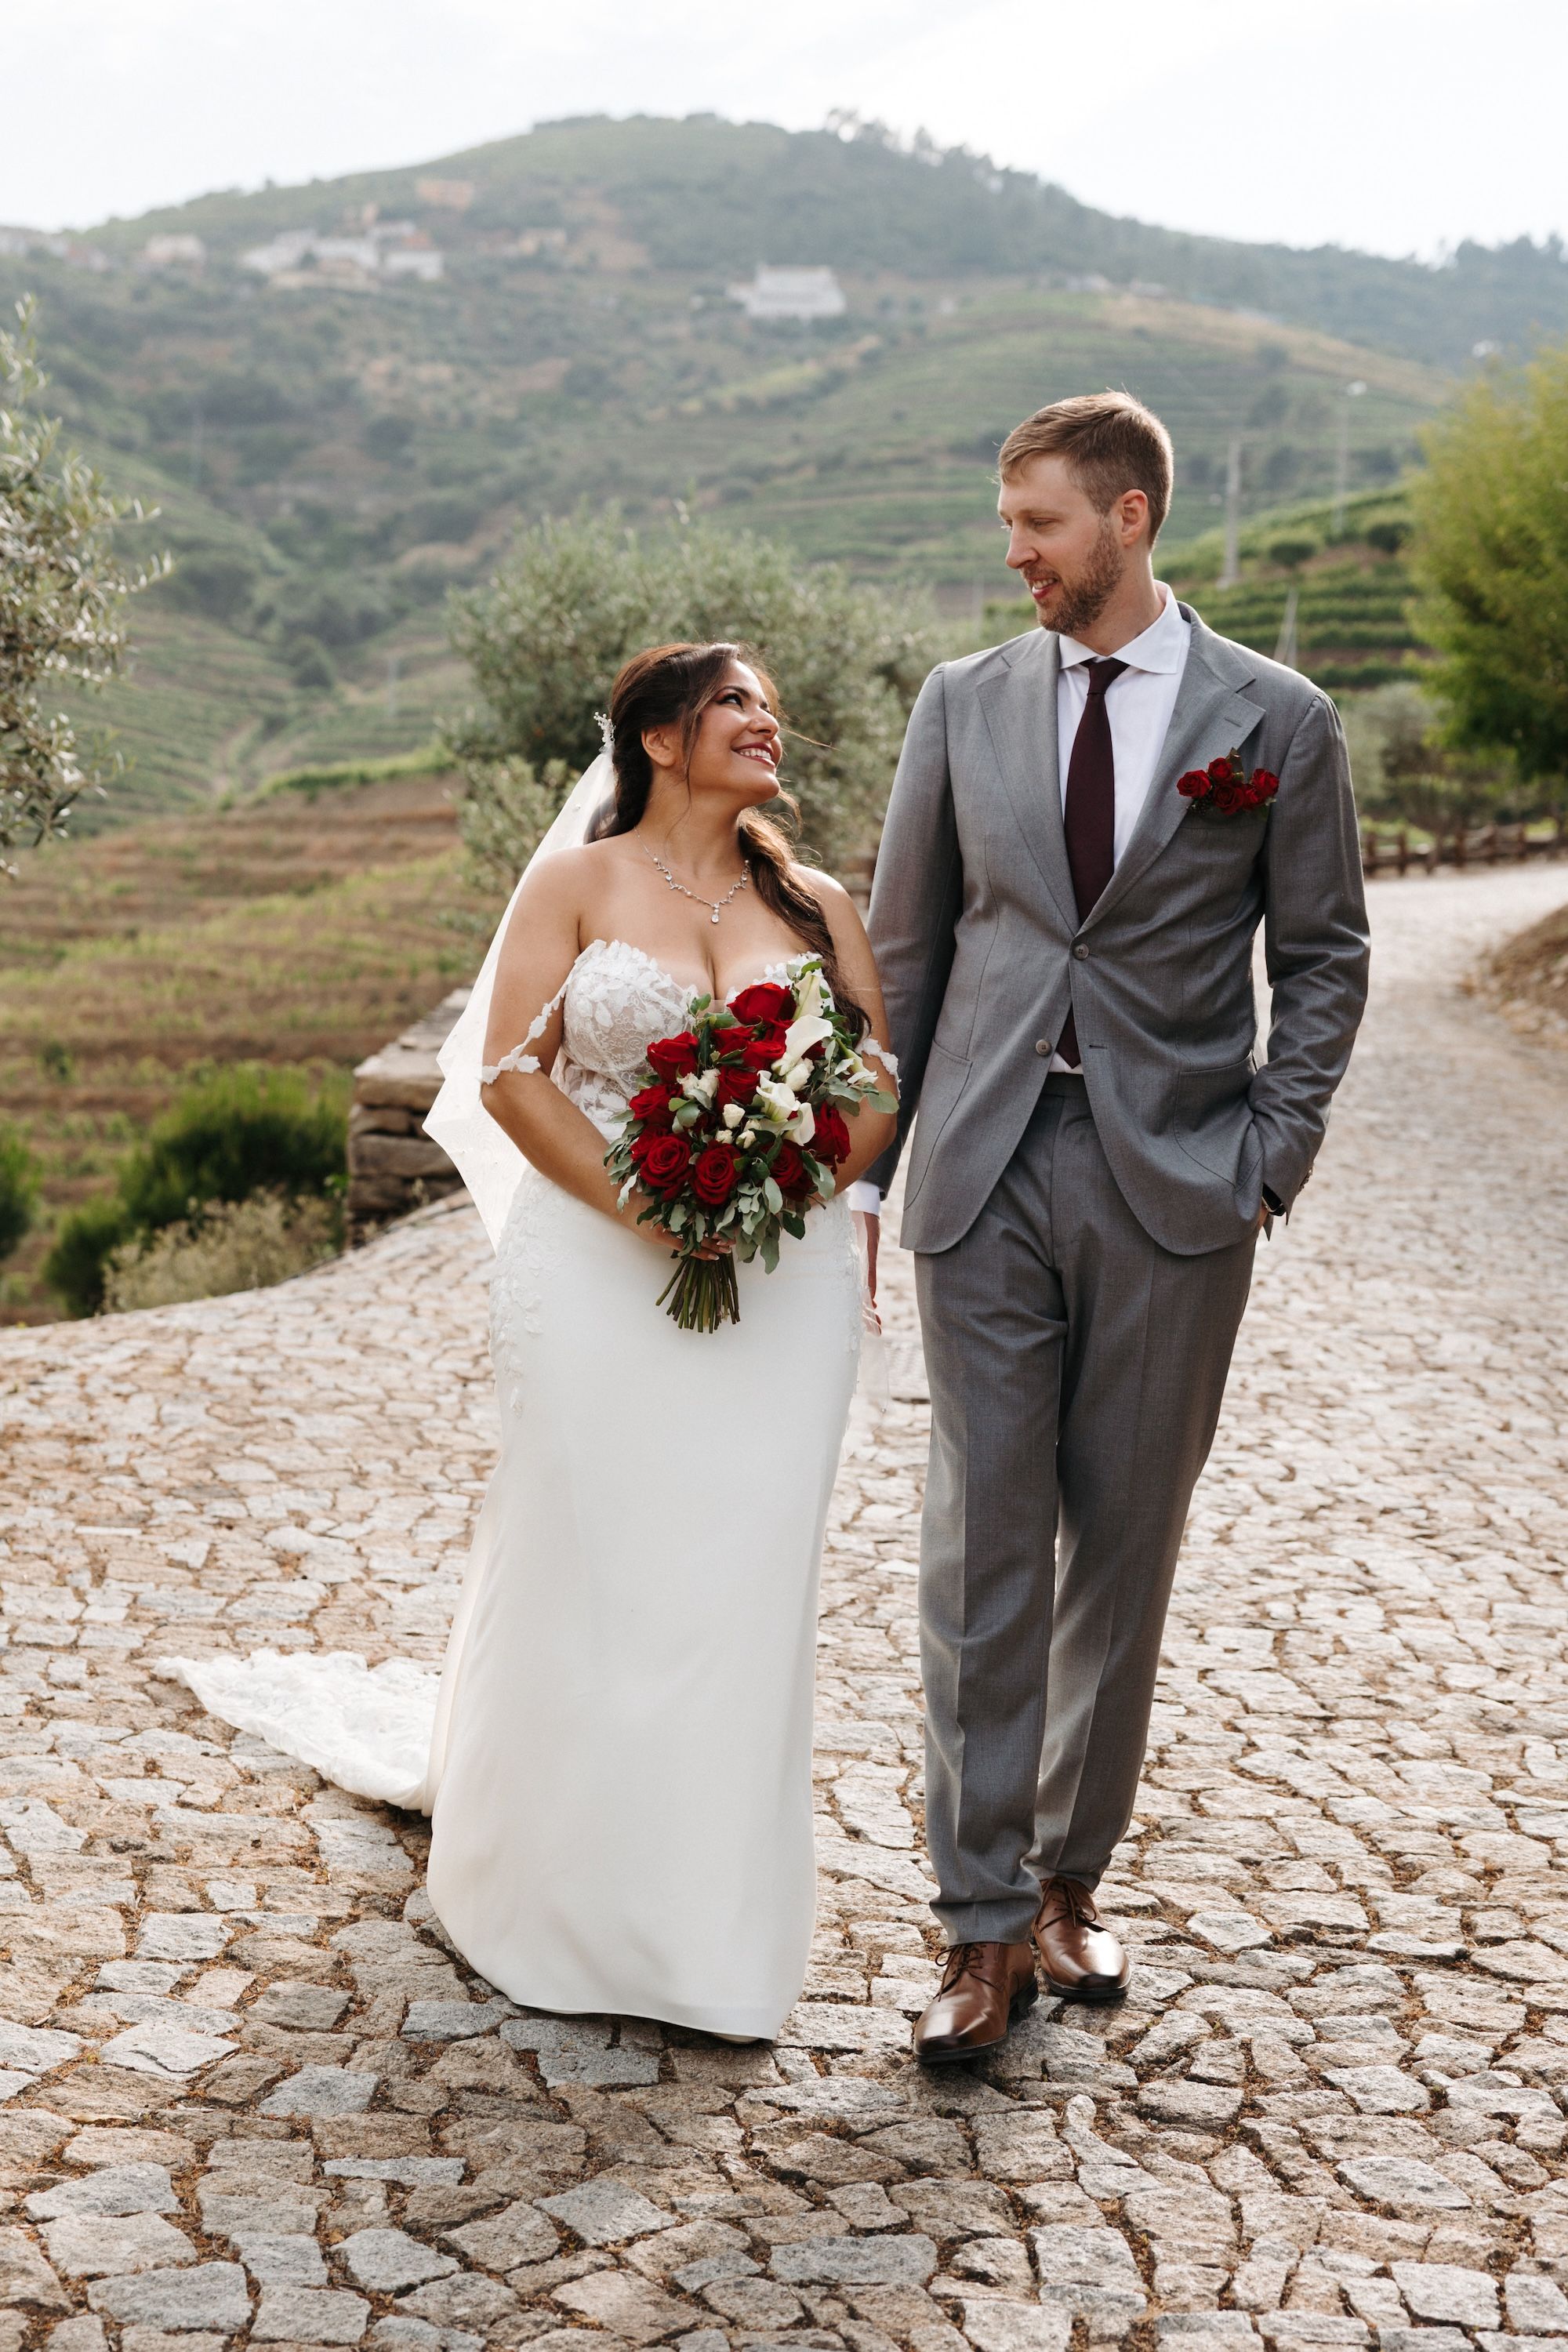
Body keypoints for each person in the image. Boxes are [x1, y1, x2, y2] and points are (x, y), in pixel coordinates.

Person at [165, 641, 896, 2045]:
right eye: (738, 703)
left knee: (742, 1574)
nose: (769, 723)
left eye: (771, 707)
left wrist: (766, 1190)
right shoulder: (576, 884)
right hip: (601, 1259)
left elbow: (872, 1080)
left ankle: (710, 1928)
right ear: (663, 739)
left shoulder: (813, 904)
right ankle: (542, 1892)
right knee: (597, 1549)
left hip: (778, 1277)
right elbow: (510, 1074)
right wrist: (654, 1206)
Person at [853, 391, 1370, 2060]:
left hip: (1174, 1189)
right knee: (980, 1548)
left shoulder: (1273, 718)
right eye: (1009, 525)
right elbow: (908, 950)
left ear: (1129, 518)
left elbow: (1326, 957)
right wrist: (872, 1167)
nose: (1015, 555)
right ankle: (979, 1923)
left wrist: (1265, 1162)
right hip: (985, 1169)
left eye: (1041, 526)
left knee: (1119, 1553)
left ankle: (1072, 1879)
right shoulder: (962, 701)